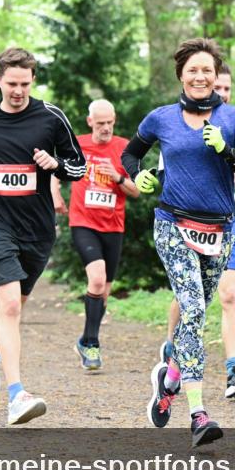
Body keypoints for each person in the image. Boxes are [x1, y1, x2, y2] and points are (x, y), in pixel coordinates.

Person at [123, 37, 235, 446]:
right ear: (181, 75)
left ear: (216, 76)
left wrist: (227, 151)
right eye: (193, 70)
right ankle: (198, 413)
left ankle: (168, 377)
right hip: (171, 224)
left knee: (195, 309)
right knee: (194, 309)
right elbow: (131, 154)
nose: (200, 77)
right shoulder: (161, 118)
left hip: (219, 229)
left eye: (208, 71)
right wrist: (140, 175)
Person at [0, 47, 86, 426]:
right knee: (9, 306)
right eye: (12, 83)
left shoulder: (51, 117)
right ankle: (17, 395)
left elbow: (79, 166)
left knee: (18, 305)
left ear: (33, 81)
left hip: (38, 228)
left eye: (25, 84)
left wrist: (56, 164)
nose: (18, 91)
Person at [159, 64, 235, 399]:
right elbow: (168, 175)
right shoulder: (177, 125)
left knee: (229, 293)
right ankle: (173, 351)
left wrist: (233, 165)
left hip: (228, 223)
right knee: (190, 297)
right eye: (221, 87)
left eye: (227, 88)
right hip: (185, 224)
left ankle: (234, 370)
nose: (223, 93)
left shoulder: (233, 124)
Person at [51, 99, 140, 370]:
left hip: (113, 226)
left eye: (110, 123)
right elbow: (56, 171)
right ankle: (91, 344)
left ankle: (86, 339)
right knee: (97, 280)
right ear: (90, 122)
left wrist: (117, 177)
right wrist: (55, 194)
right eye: (100, 123)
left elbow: (136, 190)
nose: (106, 128)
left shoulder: (124, 148)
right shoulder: (77, 144)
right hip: (83, 222)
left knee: (104, 292)